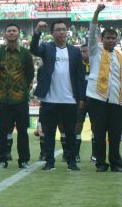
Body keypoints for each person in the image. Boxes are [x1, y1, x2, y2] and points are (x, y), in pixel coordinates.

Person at [31, 18, 87, 171]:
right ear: (52, 33)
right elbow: (33, 50)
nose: (61, 32)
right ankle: (49, 162)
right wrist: (37, 32)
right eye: (58, 30)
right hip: (50, 99)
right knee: (49, 133)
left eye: (63, 29)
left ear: (67, 32)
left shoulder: (75, 51)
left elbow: (80, 75)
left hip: (70, 99)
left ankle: (71, 162)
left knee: (70, 133)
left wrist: (82, 97)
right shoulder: (46, 48)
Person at [84, 3, 122, 172]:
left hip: (117, 100)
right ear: (102, 40)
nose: (110, 40)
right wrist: (96, 13)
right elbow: (92, 33)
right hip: (97, 98)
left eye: (113, 38)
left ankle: (116, 164)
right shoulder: (95, 51)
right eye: (107, 38)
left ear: (116, 40)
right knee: (100, 134)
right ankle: (101, 163)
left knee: (116, 135)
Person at [0, 24, 35, 169]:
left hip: (20, 99)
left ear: (19, 34)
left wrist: (23, 89)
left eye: (14, 31)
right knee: (1, 131)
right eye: (9, 31)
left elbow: (30, 74)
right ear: (5, 34)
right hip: (2, 99)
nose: (12, 33)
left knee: (22, 131)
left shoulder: (25, 53)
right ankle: (2, 160)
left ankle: (23, 160)